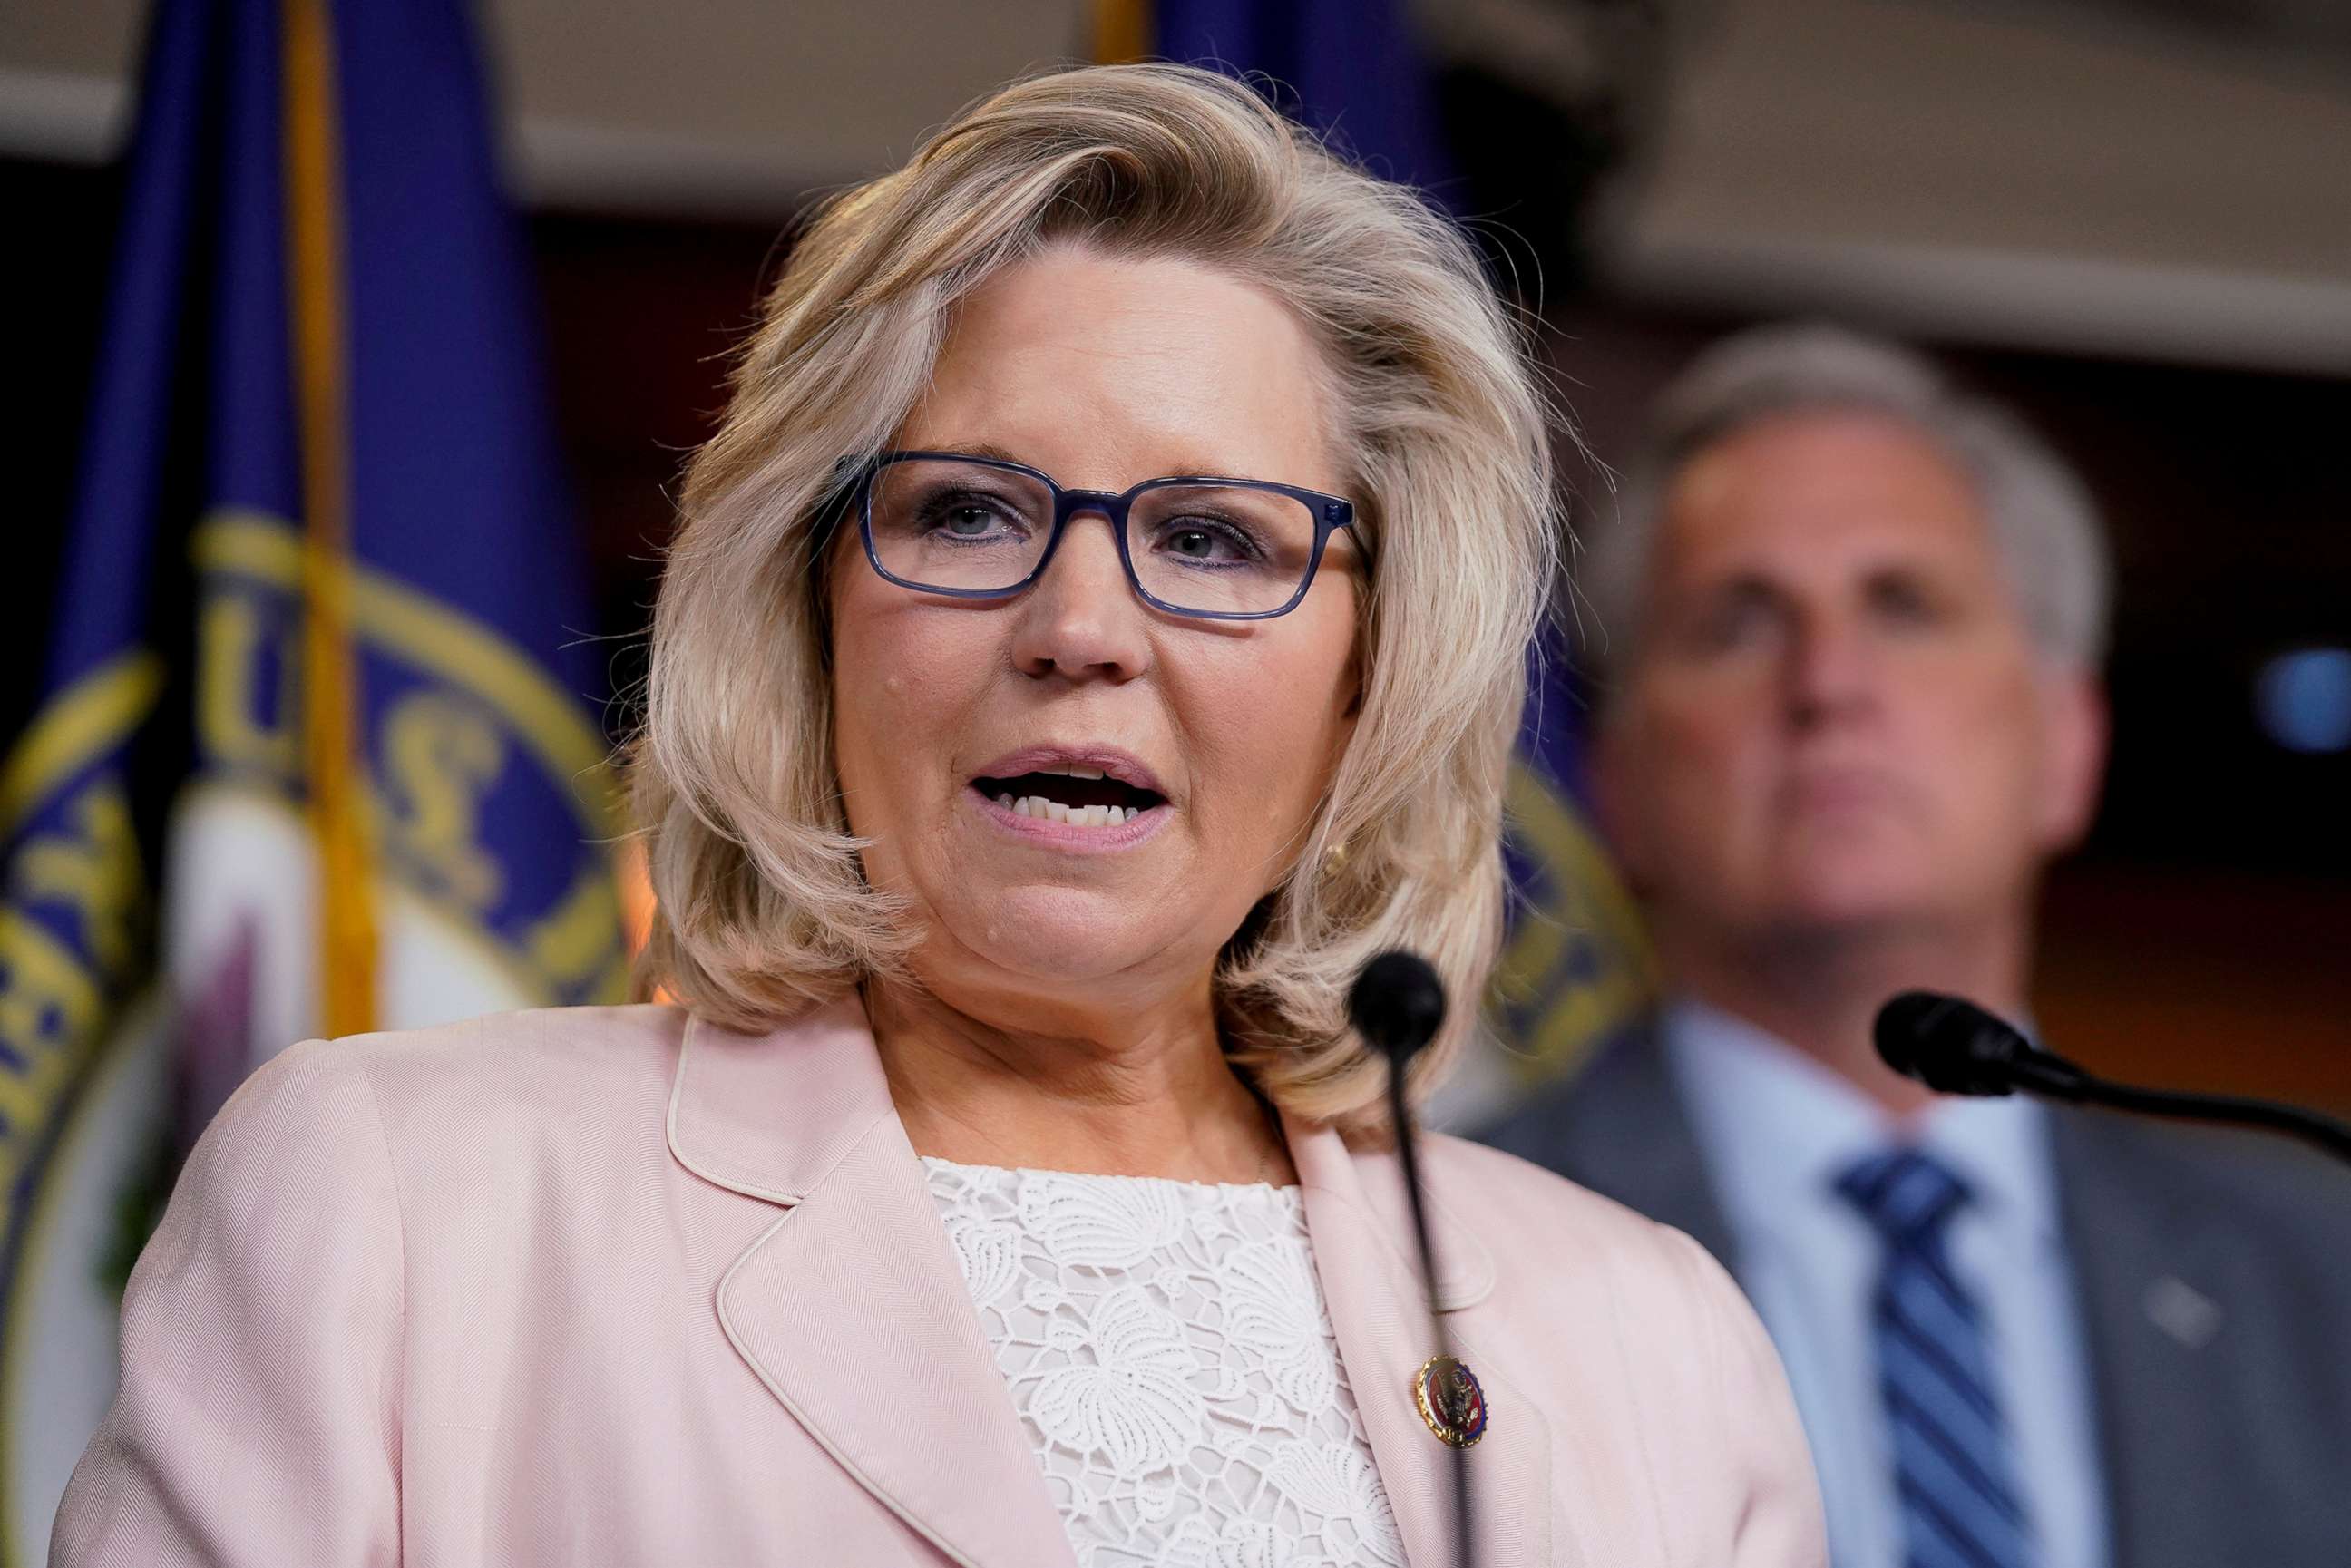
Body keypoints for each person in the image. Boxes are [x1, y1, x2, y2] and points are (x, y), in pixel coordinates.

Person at [53, 65, 1828, 1567]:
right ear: (810, 609)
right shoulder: (398, 1200)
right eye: (973, 512)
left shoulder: (1647, 1337)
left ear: (1373, 669)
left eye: (1213, 539)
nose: (1080, 630)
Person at [1481, 324, 2351, 1568]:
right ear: (1615, 783)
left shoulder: (2320, 1266)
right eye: (1737, 622)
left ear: (2069, 743)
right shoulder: (1444, 1251)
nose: (1829, 681)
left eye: (1907, 605)